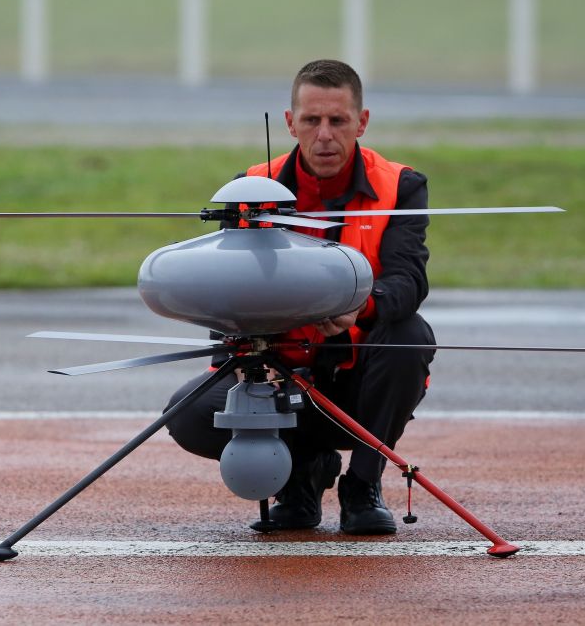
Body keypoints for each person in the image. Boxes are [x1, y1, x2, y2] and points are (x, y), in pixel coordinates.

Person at [164, 59, 435, 535]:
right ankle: (300, 481)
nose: (325, 135)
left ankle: (362, 486)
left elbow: (408, 280)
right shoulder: (252, 187)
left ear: (362, 122)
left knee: (410, 336)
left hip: (360, 379)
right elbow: (227, 285)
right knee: (187, 416)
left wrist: (359, 308)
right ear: (291, 123)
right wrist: (242, 354)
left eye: (338, 120)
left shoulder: (401, 186)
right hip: (281, 374)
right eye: (312, 121)